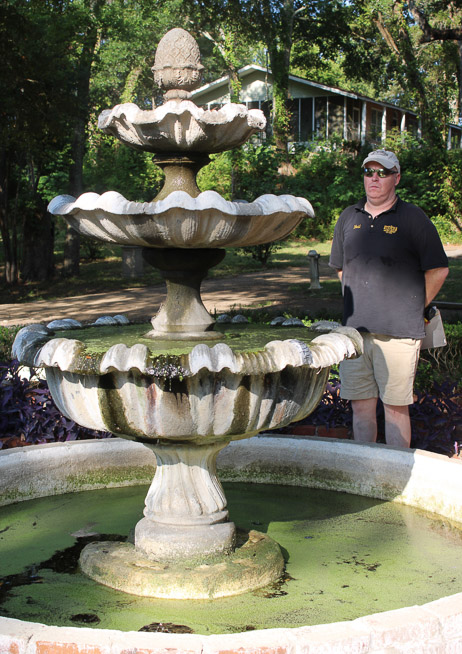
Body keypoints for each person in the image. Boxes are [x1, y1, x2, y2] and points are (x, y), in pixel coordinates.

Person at [329, 149, 449, 448]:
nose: (374, 178)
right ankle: (364, 471)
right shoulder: (348, 217)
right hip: (355, 334)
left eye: (382, 172)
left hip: (398, 334)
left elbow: (439, 270)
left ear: (396, 177)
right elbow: (342, 269)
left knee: (395, 408)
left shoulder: (413, 218)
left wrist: (413, 307)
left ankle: (395, 478)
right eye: (369, 172)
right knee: (361, 406)